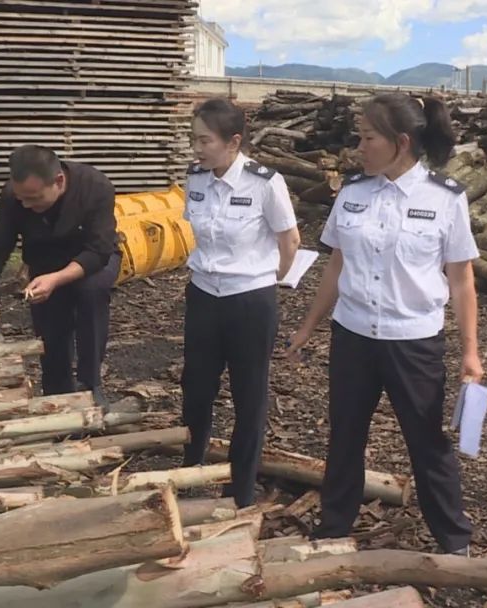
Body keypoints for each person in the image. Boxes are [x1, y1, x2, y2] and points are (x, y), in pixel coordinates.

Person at [284, 93, 483, 556]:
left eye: (368, 137)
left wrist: (470, 352)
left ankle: (454, 542)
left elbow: (462, 281)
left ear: (401, 141)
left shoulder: (445, 199)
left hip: (412, 341)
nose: (358, 145)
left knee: (427, 442)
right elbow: (336, 265)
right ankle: (334, 529)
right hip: (352, 336)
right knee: (345, 434)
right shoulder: (353, 193)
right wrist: (309, 326)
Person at [180, 97, 301, 508]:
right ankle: (191, 470)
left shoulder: (265, 182)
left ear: (233, 142)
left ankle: (240, 489)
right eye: (193, 139)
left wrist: (267, 280)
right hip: (203, 296)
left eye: (204, 140)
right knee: (196, 388)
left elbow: (290, 242)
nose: (197, 148)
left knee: (249, 396)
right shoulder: (195, 180)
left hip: (249, 301)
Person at [0, 145, 120, 405]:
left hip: (92, 258)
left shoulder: (95, 186)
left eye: (34, 198)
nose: (26, 204)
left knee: (90, 293)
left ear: (58, 181)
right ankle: (57, 392)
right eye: (21, 198)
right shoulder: (14, 196)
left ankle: (90, 384)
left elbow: (99, 250)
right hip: (45, 259)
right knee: (50, 322)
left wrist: (58, 278)